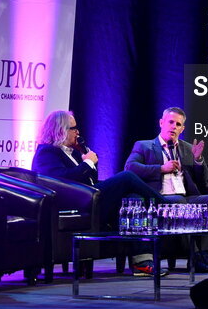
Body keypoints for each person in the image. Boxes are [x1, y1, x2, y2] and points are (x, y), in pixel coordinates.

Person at [33, 110, 166, 277]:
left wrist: (88, 161)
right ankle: (167, 207)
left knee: (134, 200)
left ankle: (142, 262)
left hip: (91, 200)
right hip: (76, 204)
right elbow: (61, 180)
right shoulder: (47, 152)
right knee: (127, 177)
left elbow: (90, 180)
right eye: (73, 128)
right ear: (61, 130)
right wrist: (88, 163)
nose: (78, 132)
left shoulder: (74, 152)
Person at [124, 106, 208, 273]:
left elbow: (203, 180)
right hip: (160, 198)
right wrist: (161, 168)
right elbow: (130, 168)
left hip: (186, 197)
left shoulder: (187, 148)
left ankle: (203, 254)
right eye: (170, 122)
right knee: (178, 201)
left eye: (178, 124)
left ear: (182, 129)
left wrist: (198, 160)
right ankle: (195, 255)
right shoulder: (144, 146)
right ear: (161, 123)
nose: (173, 127)